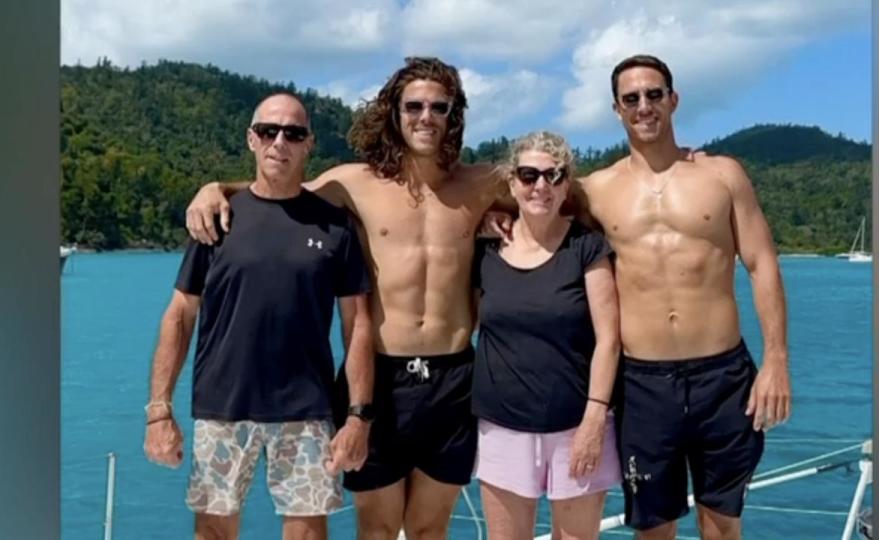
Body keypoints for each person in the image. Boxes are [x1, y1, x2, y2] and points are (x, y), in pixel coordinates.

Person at [183, 58, 503, 540]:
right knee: (374, 530)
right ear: (394, 112)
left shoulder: (481, 184)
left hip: (454, 376)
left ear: (454, 114)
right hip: (383, 376)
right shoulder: (354, 183)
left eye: (439, 106)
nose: (426, 116)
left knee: (429, 530)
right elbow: (278, 189)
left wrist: (511, 224)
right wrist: (215, 188)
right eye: (413, 105)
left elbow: (559, 196)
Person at [142, 92, 374, 540]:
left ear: (309, 144)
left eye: (293, 133)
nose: (279, 142)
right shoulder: (215, 220)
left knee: (307, 534)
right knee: (212, 532)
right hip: (222, 405)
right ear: (252, 138)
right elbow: (179, 317)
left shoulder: (336, 226)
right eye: (268, 131)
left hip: (306, 408)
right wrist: (158, 412)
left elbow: (358, 324)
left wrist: (358, 417)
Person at [579, 55, 791, 540]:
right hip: (642, 383)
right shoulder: (595, 191)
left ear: (673, 100)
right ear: (616, 109)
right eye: (631, 98)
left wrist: (776, 360)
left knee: (721, 524)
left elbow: (762, 264)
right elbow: (531, 206)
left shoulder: (723, 176)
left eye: (654, 94)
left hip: (723, 377)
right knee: (654, 528)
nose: (644, 106)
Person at [471, 131, 621, 540]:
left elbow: (609, 339)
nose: (541, 186)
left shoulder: (586, 247)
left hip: (577, 425)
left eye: (553, 176)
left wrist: (594, 419)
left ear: (566, 184)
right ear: (511, 183)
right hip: (502, 426)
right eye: (529, 175)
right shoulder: (484, 250)